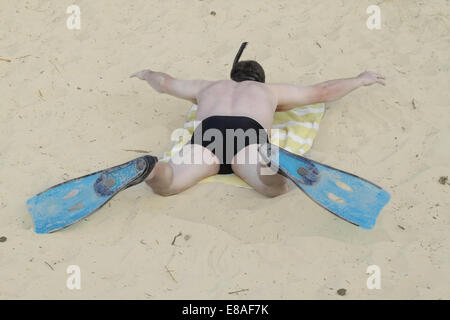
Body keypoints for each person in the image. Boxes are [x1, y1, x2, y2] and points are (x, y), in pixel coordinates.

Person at [130, 42, 385, 197]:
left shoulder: (207, 87)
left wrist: (146, 73)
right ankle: (270, 168)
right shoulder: (269, 91)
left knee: (169, 183)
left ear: (232, 78)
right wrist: (359, 79)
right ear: (259, 80)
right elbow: (323, 91)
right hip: (248, 136)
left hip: (209, 135)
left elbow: (165, 83)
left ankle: (153, 170)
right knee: (273, 189)